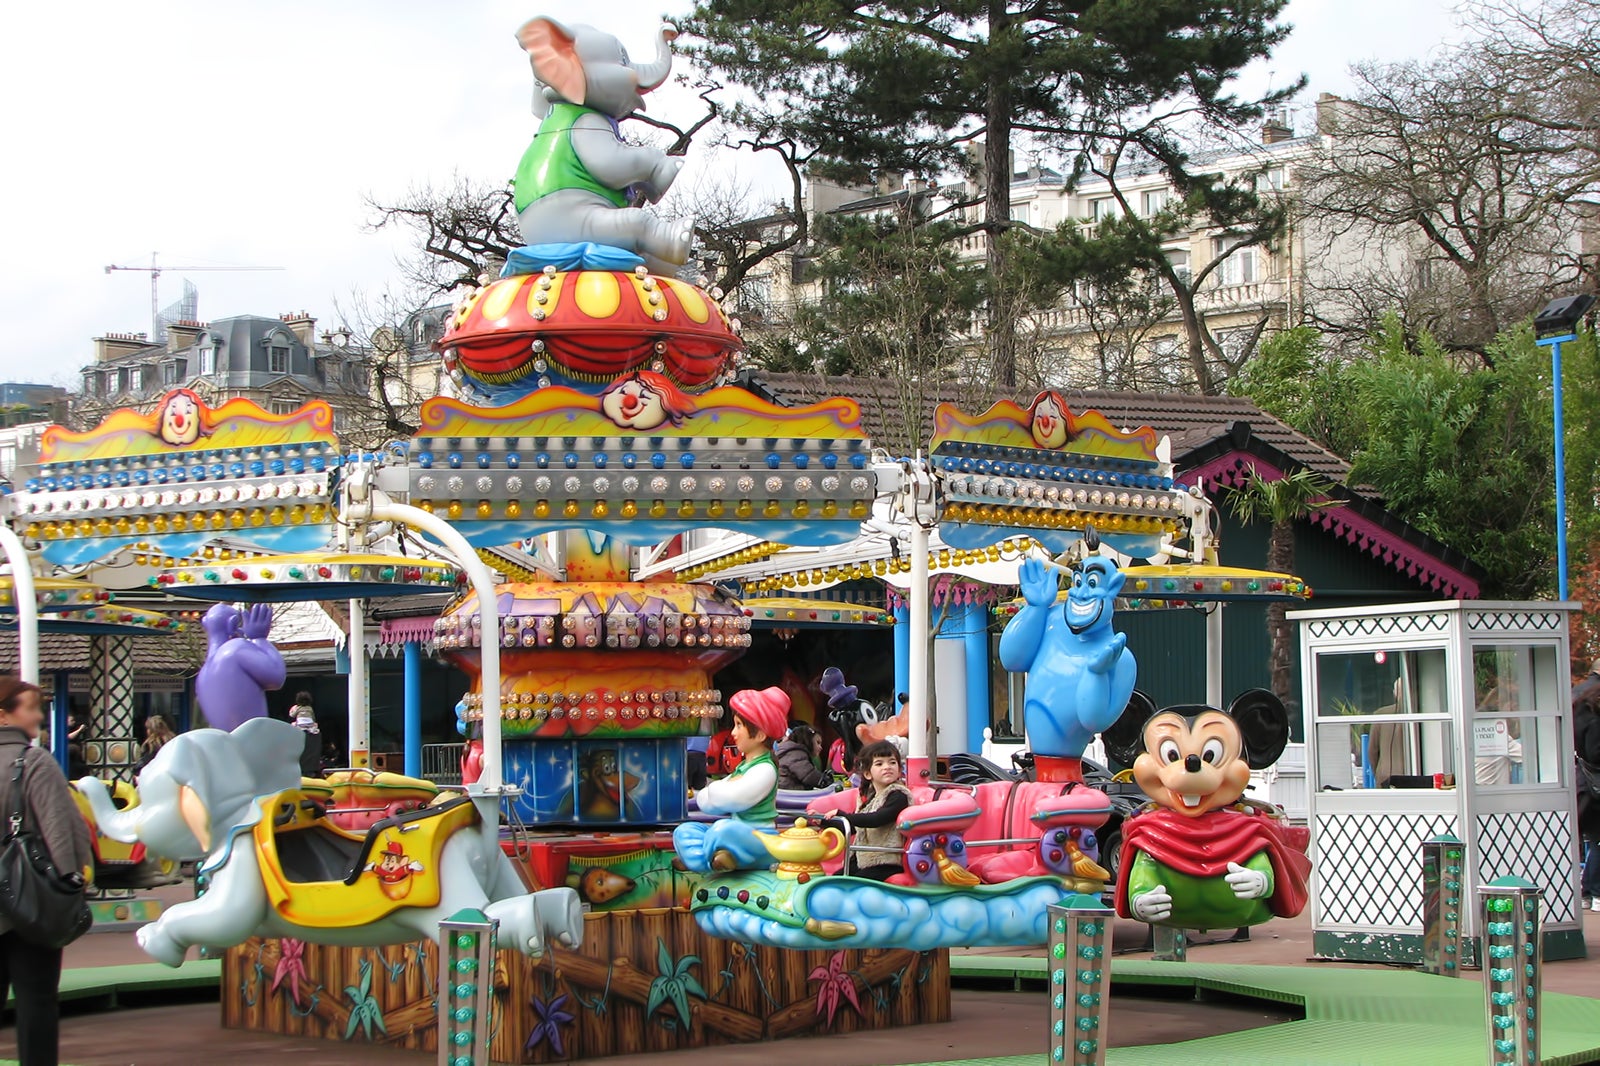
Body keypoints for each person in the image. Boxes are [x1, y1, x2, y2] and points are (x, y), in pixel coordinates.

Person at [0, 676, 94, 1066]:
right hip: (29, 901)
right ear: (5, 714)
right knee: (36, 1000)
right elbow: (60, 827)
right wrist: (72, 880)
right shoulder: (33, 761)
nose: (39, 715)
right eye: (31, 707)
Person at [673, 687, 788, 872]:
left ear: (759, 735)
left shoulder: (765, 770)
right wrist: (717, 790)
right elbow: (706, 802)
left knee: (723, 830)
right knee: (685, 831)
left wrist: (716, 790)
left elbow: (731, 799)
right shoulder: (744, 767)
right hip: (739, 833)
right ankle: (713, 859)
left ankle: (702, 859)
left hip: (760, 838)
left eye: (739, 725)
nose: (733, 732)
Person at [828, 740, 913, 882]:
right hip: (865, 859)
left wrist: (845, 816)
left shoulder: (899, 795)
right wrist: (826, 821)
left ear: (899, 769)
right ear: (868, 774)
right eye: (879, 764)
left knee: (852, 883)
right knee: (835, 879)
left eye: (892, 762)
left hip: (886, 861)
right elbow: (856, 828)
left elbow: (877, 819)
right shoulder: (871, 797)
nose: (887, 767)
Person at [1573, 659, 1600, 912]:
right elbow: (1595, 750)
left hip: (1579, 776)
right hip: (1593, 778)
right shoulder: (1594, 705)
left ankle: (1586, 891)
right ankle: (1593, 890)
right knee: (1596, 839)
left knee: (1589, 837)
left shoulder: (1575, 694)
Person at [774, 722, 831, 790]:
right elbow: (808, 775)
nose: (820, 747)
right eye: (818, 743)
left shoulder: (792, 752)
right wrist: (823, 781)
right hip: (790, 792)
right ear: (808, 740)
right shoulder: (796, 754)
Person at [289, 693, 323, 779]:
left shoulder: (298, 708)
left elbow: (292, 715)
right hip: (309, 725)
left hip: (300, 726)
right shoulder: (309, 708)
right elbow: (313, 717)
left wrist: (292, 710)